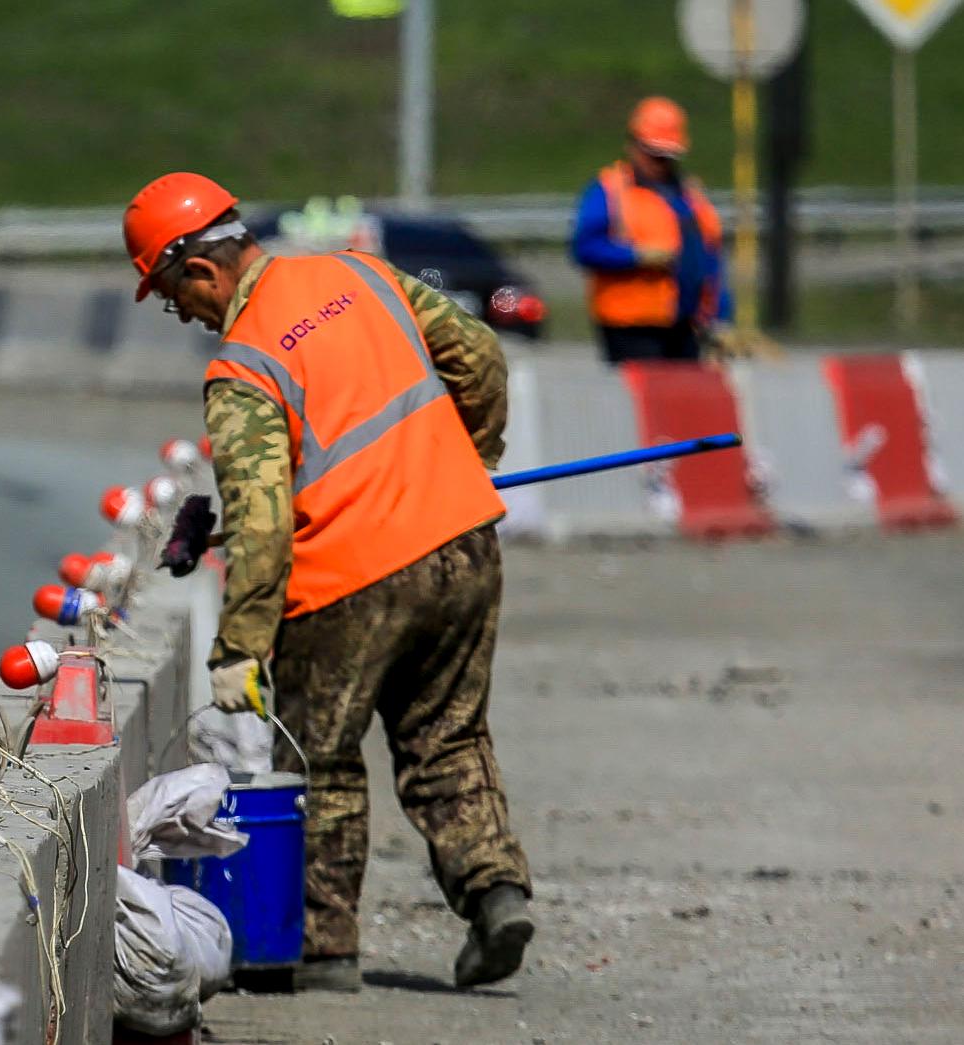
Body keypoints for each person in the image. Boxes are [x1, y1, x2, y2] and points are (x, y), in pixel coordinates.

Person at [124, 171, 531, 993]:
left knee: (321, 758)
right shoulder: (360, 274)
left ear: (201, 271)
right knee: (448, 735)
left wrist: (240, 646)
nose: (184, 315)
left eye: (173, 298)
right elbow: (481, 357)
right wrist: (469, 458)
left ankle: (324, 947)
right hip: (462, 545)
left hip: (349, 581)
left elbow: (264, 519)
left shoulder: (243, 365)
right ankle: (496, 892)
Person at [570, 96, 730, 363]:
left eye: (667, 157)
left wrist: (721, 319)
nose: (660, 163)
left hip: (687, 327)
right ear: (633, 146)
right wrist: (637, 256)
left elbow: (710, 259)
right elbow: (585, 248)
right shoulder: (610, 190)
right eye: (654, 155)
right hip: (632, 328)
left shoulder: (690, 195)